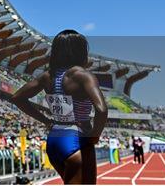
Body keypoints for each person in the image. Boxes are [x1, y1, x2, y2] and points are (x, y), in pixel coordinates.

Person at [11, 30, 107, 184]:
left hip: (55, 140)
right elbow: (101, 110)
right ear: (81, 51)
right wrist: (94, 135)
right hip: (77, 138)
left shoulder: (47, 76)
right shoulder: (83, 76)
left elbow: (17, 98)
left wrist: (46, 121)